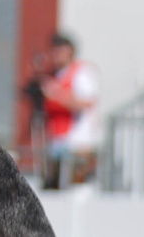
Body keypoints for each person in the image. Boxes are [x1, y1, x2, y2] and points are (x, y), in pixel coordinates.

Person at [32, 33, 99, 187]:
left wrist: (56, 93)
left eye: (60, 50)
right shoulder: (55, 74)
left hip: (77, 143)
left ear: (70, 51)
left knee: (74, 188)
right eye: (54, 50)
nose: (56, 55)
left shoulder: (81, 73)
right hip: (57, 142)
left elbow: (86, 102)